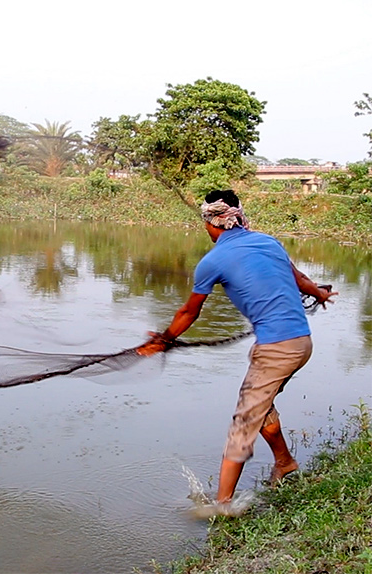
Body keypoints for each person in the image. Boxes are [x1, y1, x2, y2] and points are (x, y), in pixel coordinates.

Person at [138, 189, 337, 507]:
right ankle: (284, 462)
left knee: (243, 424)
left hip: (276, 351)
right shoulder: (268, 242)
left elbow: (189, 312)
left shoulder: (213, 260)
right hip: (301, 342)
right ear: (238, 216)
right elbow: (298, 278)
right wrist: (321, 295)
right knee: (262, 405)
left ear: (210, 222)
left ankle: (223, 507)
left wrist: (164, 340)